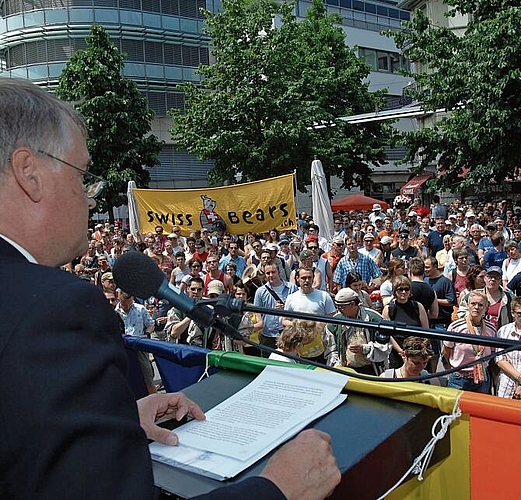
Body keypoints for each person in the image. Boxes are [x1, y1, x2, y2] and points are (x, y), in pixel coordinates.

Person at [0, 79, 340, 500]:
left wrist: (109, 420)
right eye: (82, 174)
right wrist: (278, 488)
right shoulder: (55, 308)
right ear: (28, 172)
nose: (89, 199)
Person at [323, 287, 390, 375]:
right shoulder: (334, 322)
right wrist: (337, 365)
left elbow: (385, 347)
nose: (338, 309)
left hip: (371, 370)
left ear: (352, 304)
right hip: (345, 370)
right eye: (337, 306)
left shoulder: (374, 319)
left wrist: (364, 349)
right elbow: (331, 350)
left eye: (341, 307)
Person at [443, 291, 497, 394]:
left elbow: (493, 355)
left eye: (481, 305)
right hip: (460, 378)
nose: (476, 307)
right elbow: (446, 352)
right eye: (473, 304)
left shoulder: (491, 329)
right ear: (468, 305)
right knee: (455, 408)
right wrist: (452, 371)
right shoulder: (456, 327)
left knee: (479, 409)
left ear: (486, 308)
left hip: (482, 378)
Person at [382, 275, 429, 369]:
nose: (404, 292)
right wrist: (401, 352)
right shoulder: (388, 309)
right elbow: (388, 335)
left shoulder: (418, 307)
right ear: (395, 291)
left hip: (417, 353)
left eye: (406, 289)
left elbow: (426, 331)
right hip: (397, 353)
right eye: (400, 289)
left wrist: (419, 350)